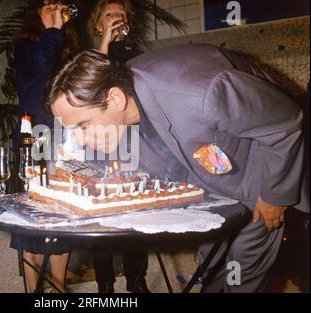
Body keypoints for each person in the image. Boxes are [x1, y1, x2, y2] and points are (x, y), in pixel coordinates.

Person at [42, 46, 308, 292]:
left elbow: (284, 123)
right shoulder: (123, 102)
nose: (82, 138)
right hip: (208, 185)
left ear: (114, 98)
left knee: (242, 272)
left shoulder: (205, 93)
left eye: (84, 126)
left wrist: (276, 195)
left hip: (257, 177)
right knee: (211, 262)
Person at [11, 0, 78, 293]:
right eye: (49, 4)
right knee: (34, 213)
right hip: (33, 134)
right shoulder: (26, 47)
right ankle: (34, 289)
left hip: (64, 135)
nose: (56, 9)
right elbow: (40, 66)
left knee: (61, 210)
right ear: (36, 13)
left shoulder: (65, 50)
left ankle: (59, 285)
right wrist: (53, 29)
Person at [86, 0, 148, 293]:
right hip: (100, 141)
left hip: (133, 141)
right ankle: (104, 285)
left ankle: (137, 281)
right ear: (98, 24)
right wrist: (106, 42)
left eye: (121, 15)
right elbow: (89, 83)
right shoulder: (88, 56)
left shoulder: (139, 56)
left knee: (136, 210)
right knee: (102, 215)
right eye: (109, 15)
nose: (116, 19)